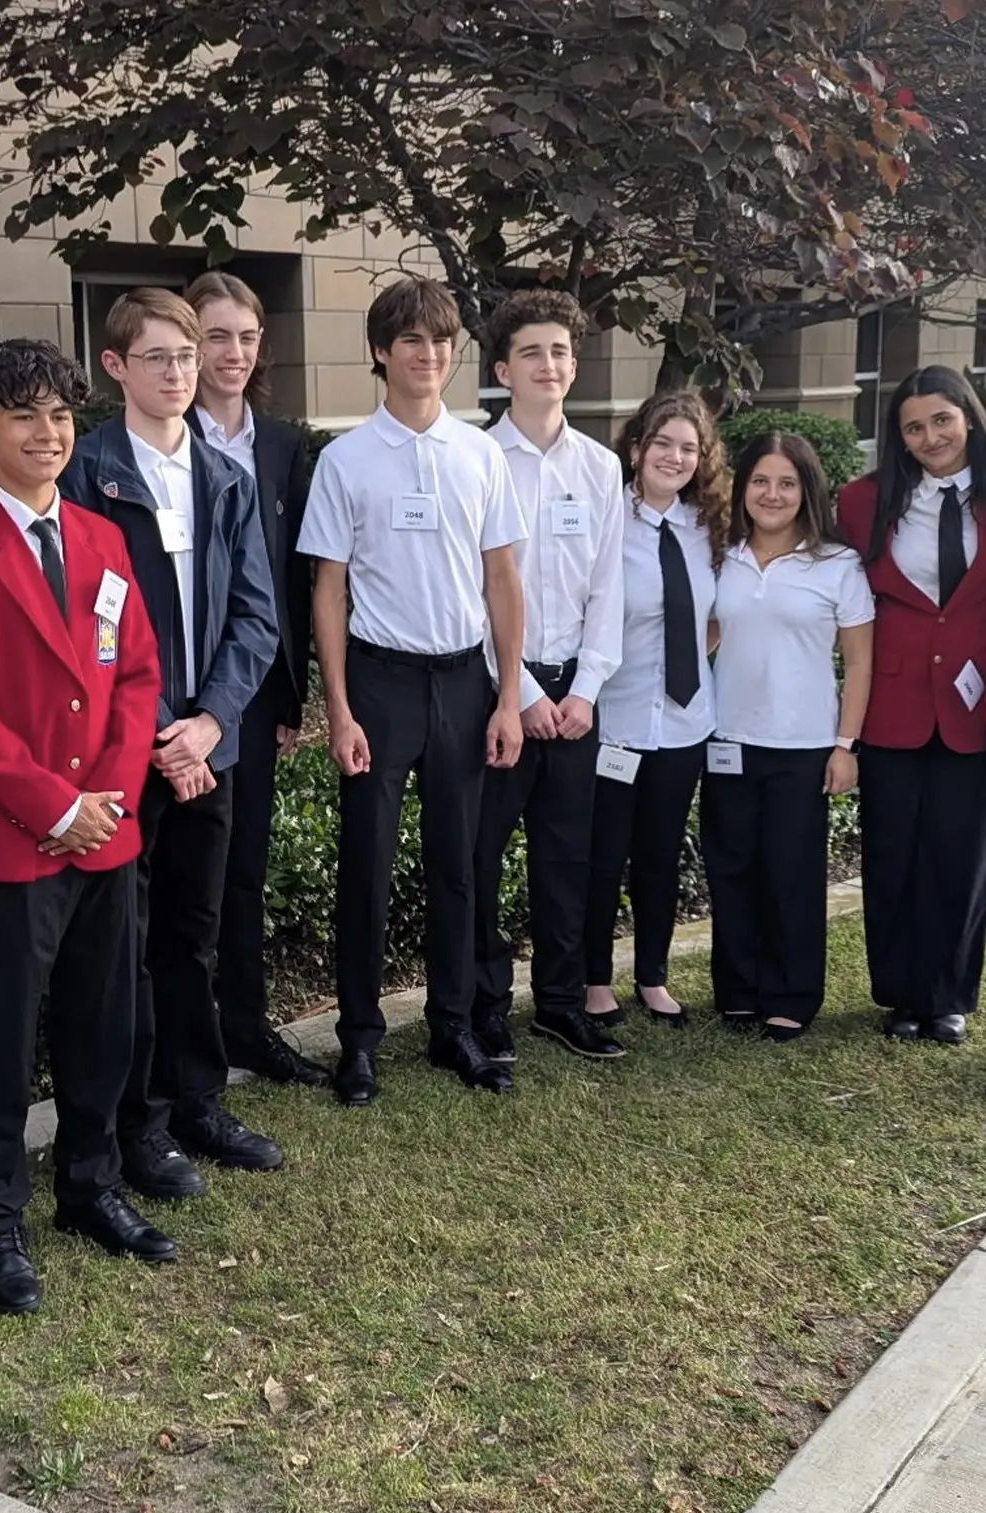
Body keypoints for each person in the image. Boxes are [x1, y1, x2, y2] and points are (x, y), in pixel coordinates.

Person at [0, 338, 174, 1315]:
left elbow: (137, 672)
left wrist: (102, 796)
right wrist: (53, 805)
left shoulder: (102, 539)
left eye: (60, 414)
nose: (47, 433)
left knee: (106, 1024)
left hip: (107, 832)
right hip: (8, 838)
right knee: (1, 1043)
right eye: (24, 415)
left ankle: (91, 1188)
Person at [62, 288, 281, 1200]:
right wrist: (158, 731)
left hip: (207, 746)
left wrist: (210, 721)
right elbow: (79, 627)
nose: (179, 373)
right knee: (126, 943)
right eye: (157, 357)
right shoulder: (88, 474)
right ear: (115, 367)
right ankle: (136, 1125)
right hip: (125, 754)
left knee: (195, 931)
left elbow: (256, 617)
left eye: (187, 356)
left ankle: (198, 1098)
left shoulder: (224, 478)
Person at [298, 276, 529, 1105]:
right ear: (380, 354)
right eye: (410, 342)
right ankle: (358, 1040)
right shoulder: (346, 459)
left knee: (459, 866)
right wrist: (341, 709)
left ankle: (452, 1026)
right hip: (381, 682)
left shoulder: (480, 455)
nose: (428, 356)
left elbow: (503, 579)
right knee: (365, 865)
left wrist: (507, 699)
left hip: (465, 683)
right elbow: (329, 589)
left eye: (440, 342)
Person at [835, 368, 986, 1048]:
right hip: (892, 704)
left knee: (963, 856)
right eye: (914, 427)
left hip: (981, 705)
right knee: (893, 853)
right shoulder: (863, 502)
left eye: (942, 420)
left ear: (969, 416)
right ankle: (900, 994)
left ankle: (948, 996)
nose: (930, 437)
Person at [472, 290, 628, 1064]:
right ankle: (486, 1003)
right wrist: (525, 694)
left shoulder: (601, 468)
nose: (550, 364)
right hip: (500, 694)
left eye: (562, 351)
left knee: (567, 860)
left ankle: (561, 1004)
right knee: (483, 852)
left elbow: (611, 588)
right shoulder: (474, 460)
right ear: (504, 369)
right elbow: (470, 589)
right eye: (532, 352)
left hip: (574, 699)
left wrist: (585, 691)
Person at [186, 270, 330, 1090]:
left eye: (245, 336)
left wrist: (289, 693)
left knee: (243, 870)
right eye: (215, 336)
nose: (232, 353)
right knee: (185, 885)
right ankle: (183, 1041)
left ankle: (246, 1026)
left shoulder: (281, 446)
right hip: (177, 701)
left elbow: (292, 576)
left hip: (254, 692)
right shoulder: (158, 441)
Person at [702, 432, 874, 1040]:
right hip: (725, 739)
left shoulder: (837, 565)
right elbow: (712, 634)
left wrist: (845, 745)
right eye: (760, 482)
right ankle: (739, 991)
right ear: (742, 488)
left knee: (791, 873)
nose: (771, 495)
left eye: (786, 483)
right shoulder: (723, 557)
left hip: (803, 744)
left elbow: (858, 662)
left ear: (807, 491)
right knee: (731, 867)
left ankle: (791, 993)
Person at [584, 389, 729, 1027]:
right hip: (614, 720)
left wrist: (690, 662)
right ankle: (593, 981)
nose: (675, 457)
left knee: (662, 854)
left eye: (688, 448)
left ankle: (653, 977)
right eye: (662, 443)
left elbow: (715, 619)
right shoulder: (606, 519)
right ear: (637, 449)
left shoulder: (709, 530)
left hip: (684, 723)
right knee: (603, 854)